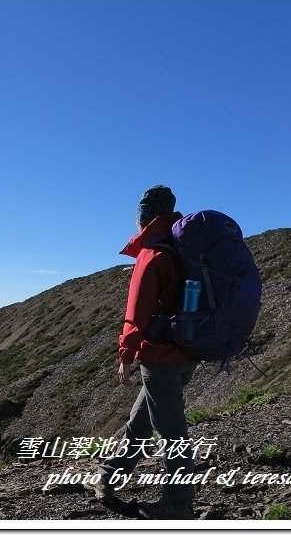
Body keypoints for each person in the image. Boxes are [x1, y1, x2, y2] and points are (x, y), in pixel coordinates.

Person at [94, 184, 198, 520]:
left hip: (161, 359)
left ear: (144, 218)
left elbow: (135, 313)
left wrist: (126, 355)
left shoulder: (153, 255)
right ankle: (109, 477)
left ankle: (178, 504)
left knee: (171, 434)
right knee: (139, 423)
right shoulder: (185, 250)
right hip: (187, 352)